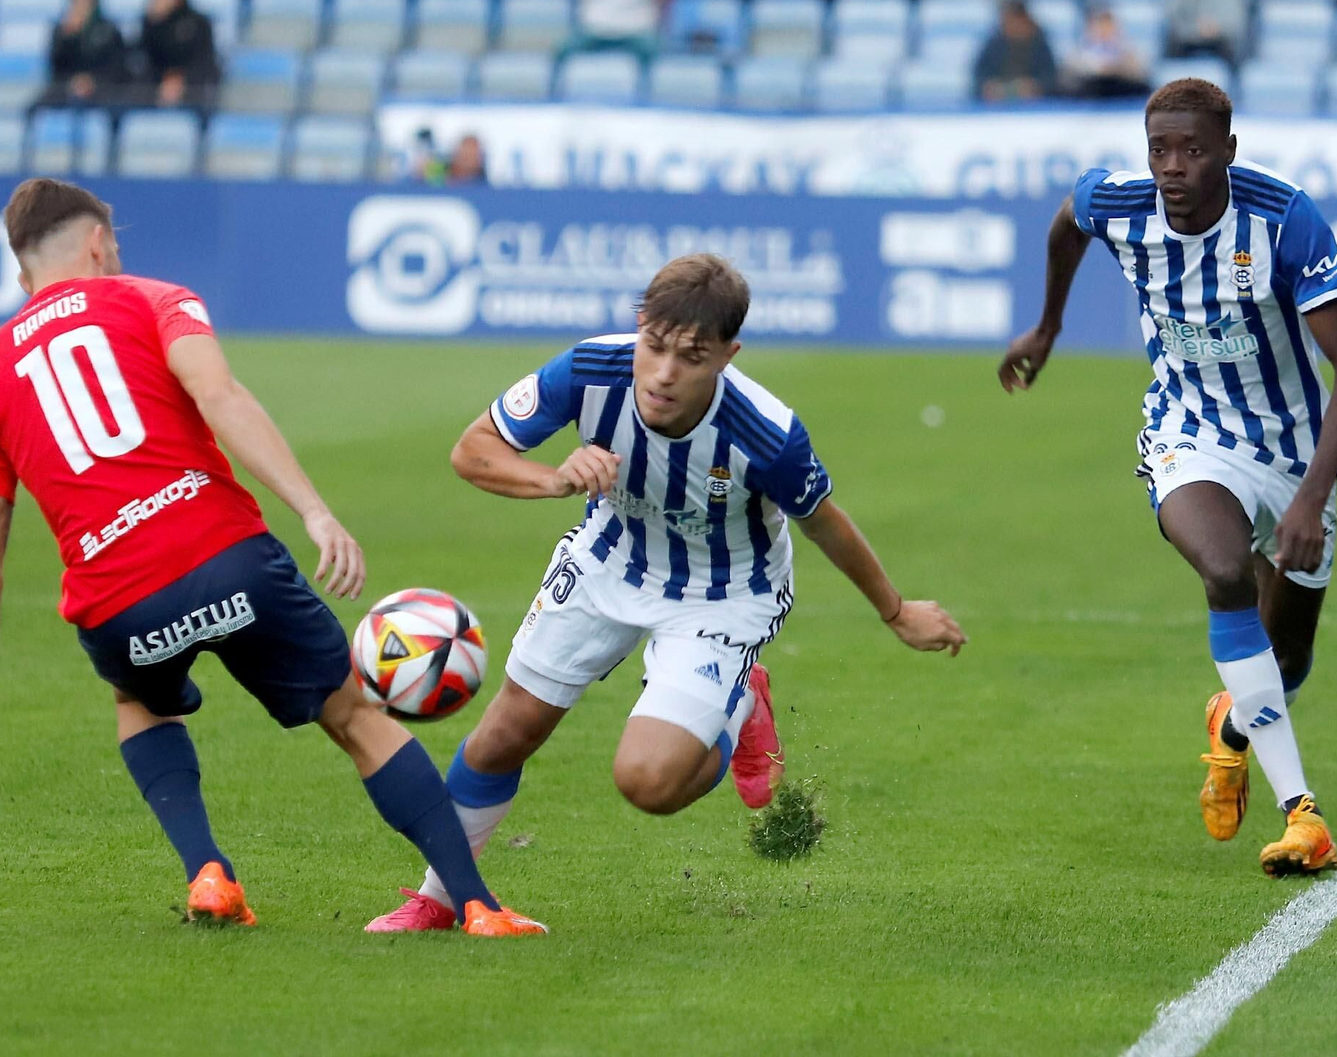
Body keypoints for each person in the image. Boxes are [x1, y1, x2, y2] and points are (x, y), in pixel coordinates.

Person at [0, 177, 545, 938]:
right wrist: (315, 511)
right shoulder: (151, 299)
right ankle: (478, 905)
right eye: (113, 245)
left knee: (140, 702)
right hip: (226, 558)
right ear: (97, 243)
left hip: (120, 602)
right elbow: (219, 395)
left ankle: (208, 873)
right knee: (352, 713)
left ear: (22, 272)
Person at [365, 254, 967, 932]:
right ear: (639, 326)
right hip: (609, 558)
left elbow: (824, 521)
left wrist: (896, 611)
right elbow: (472, 450)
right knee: (506, 734)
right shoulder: (590, 371)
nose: (663, 372)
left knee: (648, 784)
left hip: (723, 594)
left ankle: (738, 704)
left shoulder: (766, 434)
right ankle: (441, 899)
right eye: (654, 345)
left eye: (690, 356)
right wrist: (554, 479)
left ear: (727, 356)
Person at [998, 79, 1337, 877]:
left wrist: (1311, 493)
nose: (1172, 167)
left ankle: (1232, 731)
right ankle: (1303, 815)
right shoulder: (1123, 203)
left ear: (1227, 153)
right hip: (1189, 433)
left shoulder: (1282, 218)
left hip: (1295, 453)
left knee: (1289, 656)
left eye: (1193, 150)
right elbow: (1070, 219)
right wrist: (1049, 324)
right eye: (1159, 150)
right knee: (1223, 568)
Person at [39, 0, 128, 110]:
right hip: (67, 89)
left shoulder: (110, 30)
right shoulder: (61, 31)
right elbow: (55, 69)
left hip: (102, 90)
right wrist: (69, 38)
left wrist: (91, 81)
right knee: (38, 107)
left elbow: (117, 68)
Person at [139, 0, 220, 111]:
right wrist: (154, 24)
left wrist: (182, 80)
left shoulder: (199, 23)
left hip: (192, 97)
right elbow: (142, 60)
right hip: (154, 94)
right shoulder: (149, 23)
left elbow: (206, 63)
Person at [973, 0, 1059, 103]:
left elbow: (1051, 76)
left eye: (1013, 20)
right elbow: (979, 74)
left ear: (1024, 19)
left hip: (1033, 105)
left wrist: (1035, 87)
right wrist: (989, 87)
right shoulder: (994, 43)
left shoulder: (1040, 44)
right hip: (997, 103)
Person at [1063, 6, 1150, 100]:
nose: (1104, 30)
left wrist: (1117, 67)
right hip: (1090, 91)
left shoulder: (1129, 51)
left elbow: (1140, 73)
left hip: (1121, 89)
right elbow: (1070, 75)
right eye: (1099, 26)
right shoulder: (1078, 53)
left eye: (1108, 26)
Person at [1164, 0, 1247, 65]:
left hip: (1221, 50)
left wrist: (1215, 27)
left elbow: (1233, 25)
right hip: (1185, 49)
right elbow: (1171, 20)